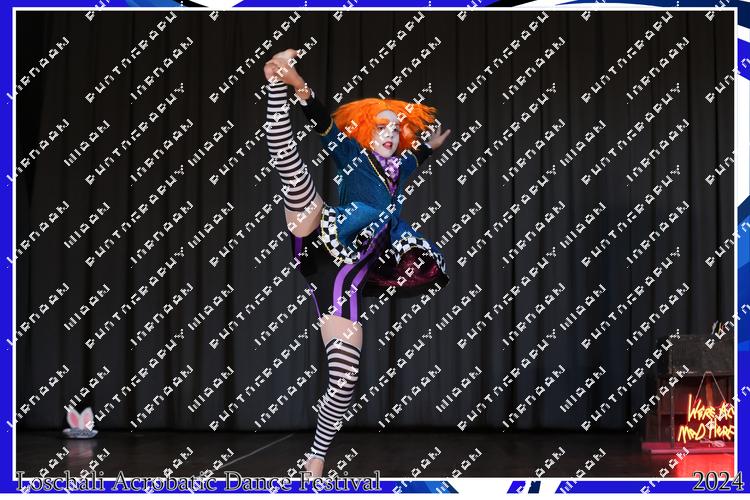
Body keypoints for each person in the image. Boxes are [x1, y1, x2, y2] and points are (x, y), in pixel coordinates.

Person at [263, 48, 451, 477]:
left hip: (345, 278)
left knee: (345, 379)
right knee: (293, 173)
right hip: (324, 237)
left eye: (396, 128)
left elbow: (413, 160)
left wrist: (429, 147)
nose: (390, 133)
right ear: (366, 132)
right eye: (381, 127)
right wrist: (298, 87)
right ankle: (276, 82)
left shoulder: (399, 165)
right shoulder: (353, 155)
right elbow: (323, 124)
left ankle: (315, 458)